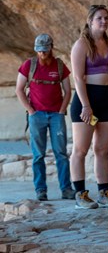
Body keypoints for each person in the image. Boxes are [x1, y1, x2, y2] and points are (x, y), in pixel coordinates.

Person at [69, 5, 108, 209]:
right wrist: (86, 105)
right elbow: (77, 77)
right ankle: (80, 194)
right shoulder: (81, 44)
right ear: (90, 21)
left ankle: (104, 192)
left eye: (106, 18)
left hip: (106, 99)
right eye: (100, 18)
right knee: (80, 149)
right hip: (87, 99)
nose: (104, 21)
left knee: (102, 149)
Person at [15, 34, 74, 202]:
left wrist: (62, 111)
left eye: (45, 51)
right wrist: (31, 111)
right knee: (38, 155)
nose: (42, 54)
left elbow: (68, 90)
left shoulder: (60, 66)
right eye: (39, 51)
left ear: (51, 48)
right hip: (37, 115)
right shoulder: (29, 65)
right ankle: (41, 190)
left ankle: (66, 189)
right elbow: (19, 89)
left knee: (61, 153)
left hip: (56, 115)